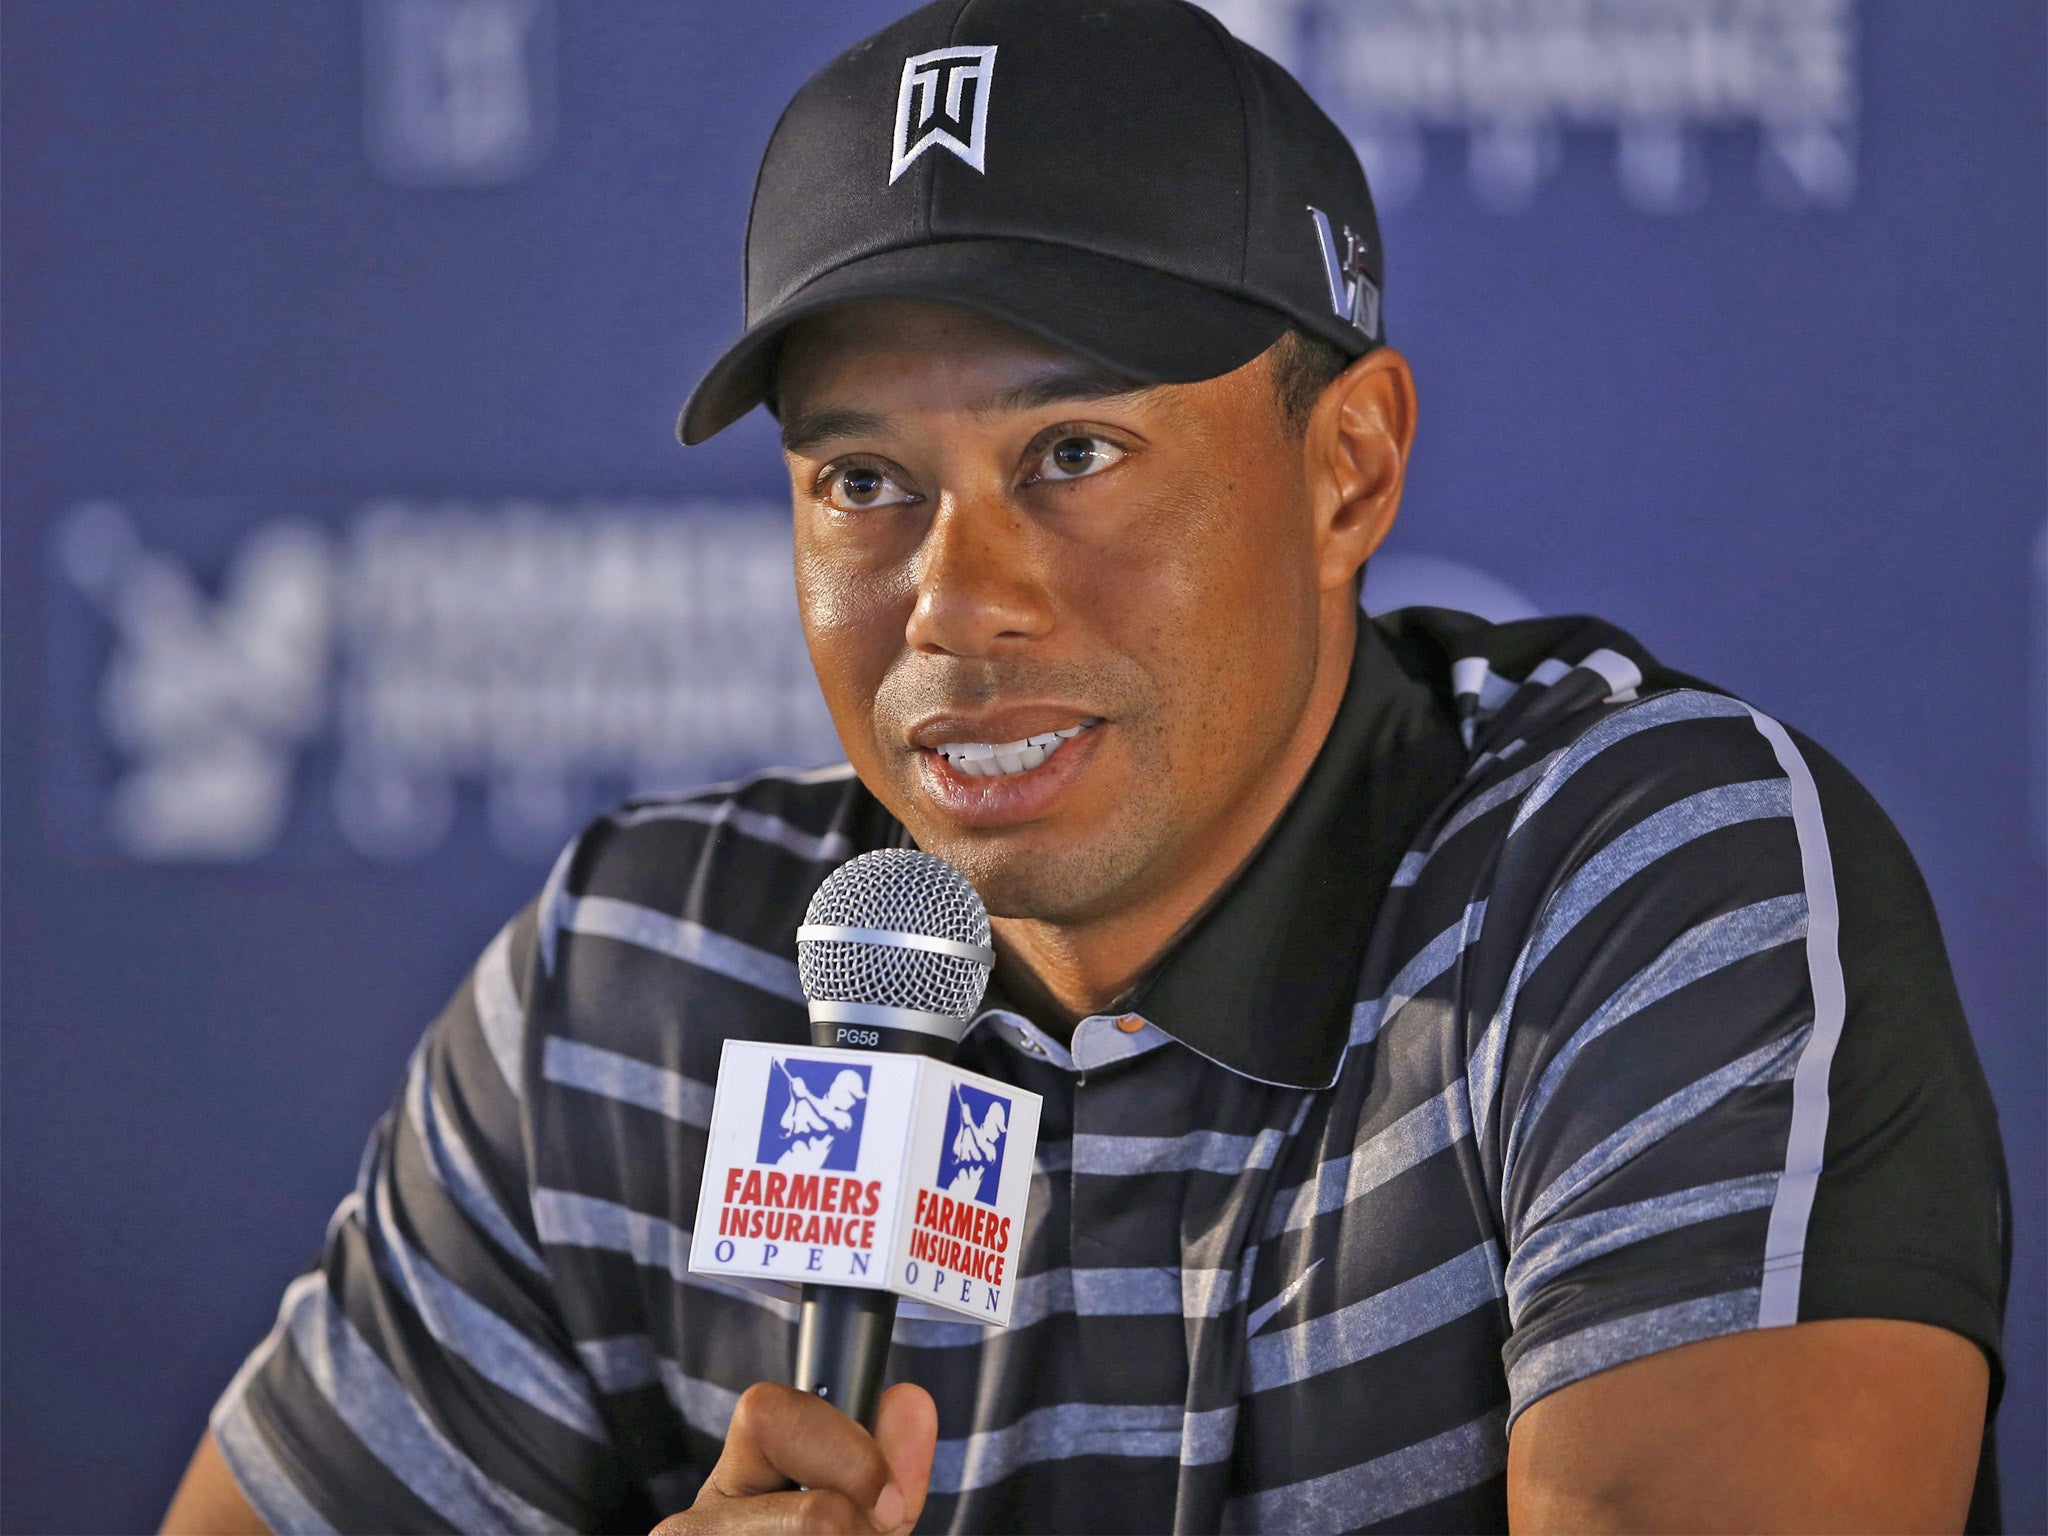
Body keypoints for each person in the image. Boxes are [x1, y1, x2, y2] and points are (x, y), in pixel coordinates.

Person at [162, 1, 2010, 1531]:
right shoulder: (633, 991)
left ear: (1348, 469)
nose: (956, 606)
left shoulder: (1620, 889)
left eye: (1076, 456)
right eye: (863, 483)